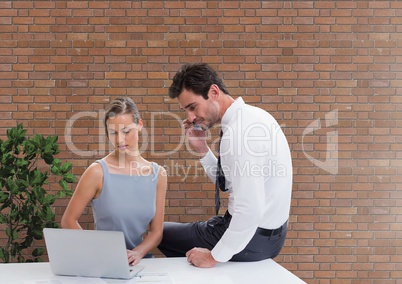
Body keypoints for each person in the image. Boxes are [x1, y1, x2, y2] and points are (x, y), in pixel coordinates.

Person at [158, 63, 293, 268]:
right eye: (185, 110)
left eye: (192, 107)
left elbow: (250, 210)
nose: (190, 118)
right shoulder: (254, 117)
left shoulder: (239, 133)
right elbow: (229, 184)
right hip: (270, 239)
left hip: (252, 239)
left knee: (159, 233)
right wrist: (202, 149)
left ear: (213, 92)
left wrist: (215, 256)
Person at [61, 97, 167, 266]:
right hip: (104, 264)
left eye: (126, 131)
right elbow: (68, 221)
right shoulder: (97, 172)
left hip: (141, 266)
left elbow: (156, 232)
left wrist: (137, 253)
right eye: (113, 133)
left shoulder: (158, 174)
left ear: (140, 125)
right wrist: (100, 251)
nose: (119, 140)